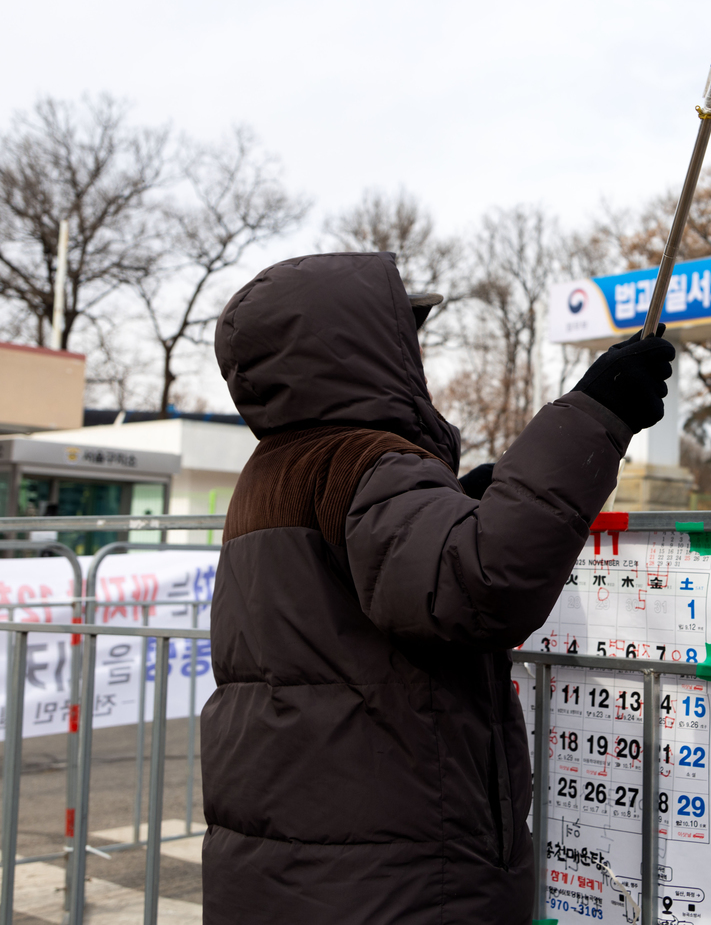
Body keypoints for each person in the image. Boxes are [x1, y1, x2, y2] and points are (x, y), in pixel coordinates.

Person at [202, 251, 674, 924]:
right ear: (356, 349)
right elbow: (479, 583)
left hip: (303, 853)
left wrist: (452, 503)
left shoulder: (274, 468)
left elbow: (372, 581)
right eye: (407, 332)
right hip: (400, 864)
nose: (415, 352)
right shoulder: (364, 460)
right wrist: (595, 415)